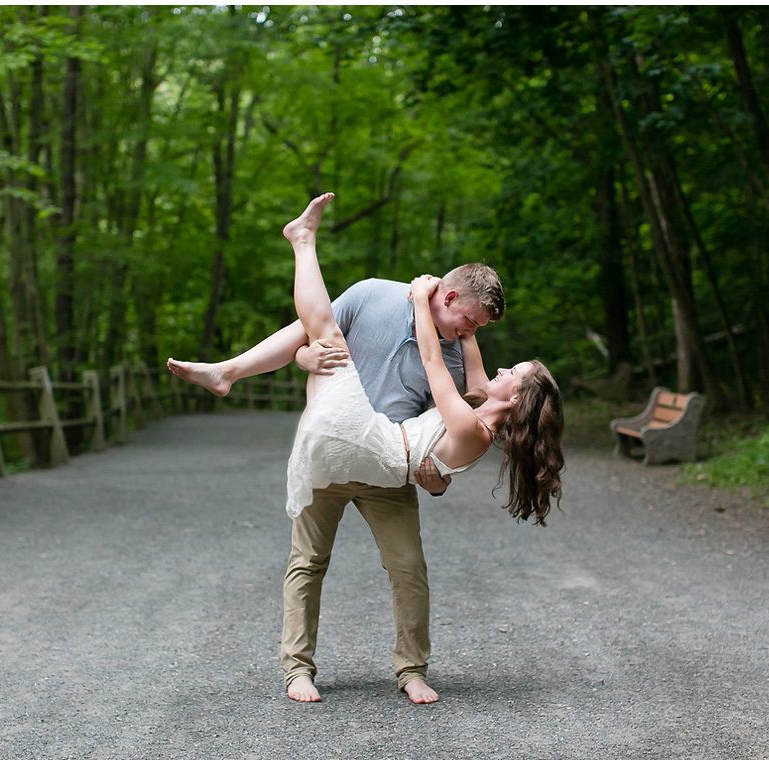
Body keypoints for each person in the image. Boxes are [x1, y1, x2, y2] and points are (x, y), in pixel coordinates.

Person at [167, 193, 564, 704]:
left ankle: (412, 669)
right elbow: (307, 336)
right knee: (307, 561)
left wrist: (438, 473)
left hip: (387, 467)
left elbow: (469, 403)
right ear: (448, 296)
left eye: (478, 330)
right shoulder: (374, 294)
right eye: (470, 322)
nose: (471, 334)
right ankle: (297, 670)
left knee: (408, 567)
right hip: (342, 447)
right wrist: (308, 358)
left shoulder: (452, 351)